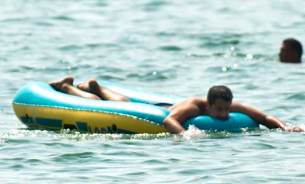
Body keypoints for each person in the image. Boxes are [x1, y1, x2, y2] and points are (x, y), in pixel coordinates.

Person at [50, 77, 303, 133]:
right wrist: (184, 136)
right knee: (114, 103)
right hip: (157, 107)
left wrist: (283, 127)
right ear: (208, 105)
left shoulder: (230, 108)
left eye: (226, 109)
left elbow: (262, 116)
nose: (224, 115)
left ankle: (95, 87)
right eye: (219, 110)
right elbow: (168, 121)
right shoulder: (196, 108)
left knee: (113, 98)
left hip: (165, 107)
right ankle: (68, 87)